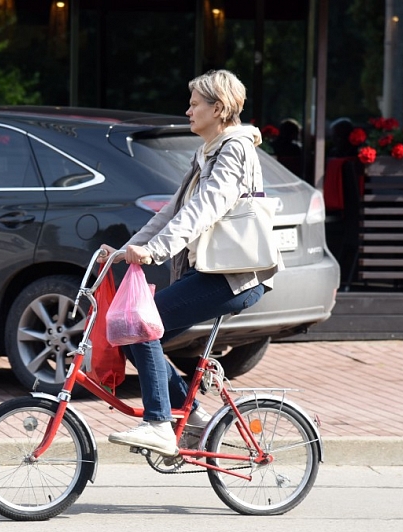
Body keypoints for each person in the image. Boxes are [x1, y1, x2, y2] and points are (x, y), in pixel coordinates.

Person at [99, 69, 280, 457]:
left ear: (218, 108)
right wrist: (125, 249)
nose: (188, 110)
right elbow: (172, 210)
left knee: (140, 327)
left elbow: (205, 207)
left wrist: (156, 251)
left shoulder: (234, 148)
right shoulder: (208, 151)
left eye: (195, 104)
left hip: (233, 278)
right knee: (135, 336)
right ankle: (192, 418)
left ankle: (160, 424)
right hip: (213, 274)